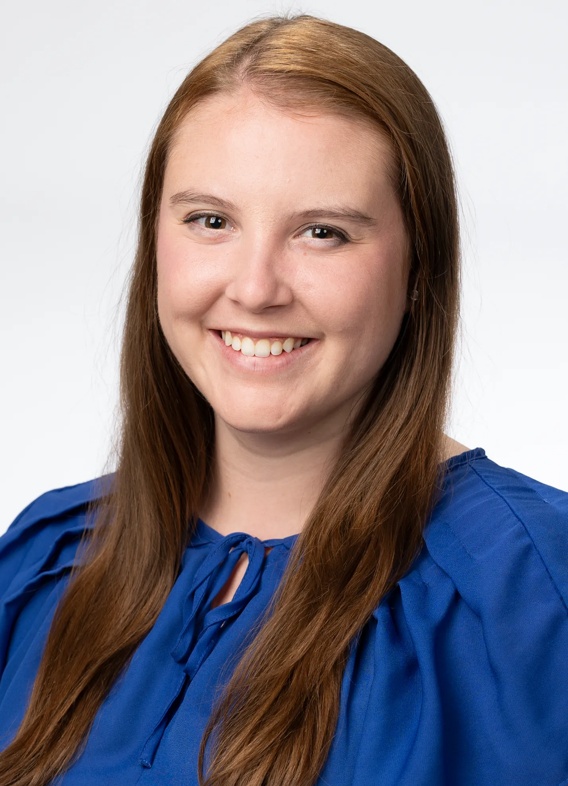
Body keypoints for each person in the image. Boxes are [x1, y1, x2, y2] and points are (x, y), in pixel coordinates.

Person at [0, 13, 566, 786]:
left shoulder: (534, 591)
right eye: (211, 221)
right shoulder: (43, 562)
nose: (256, 288)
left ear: (418, 269)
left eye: (323, 232)